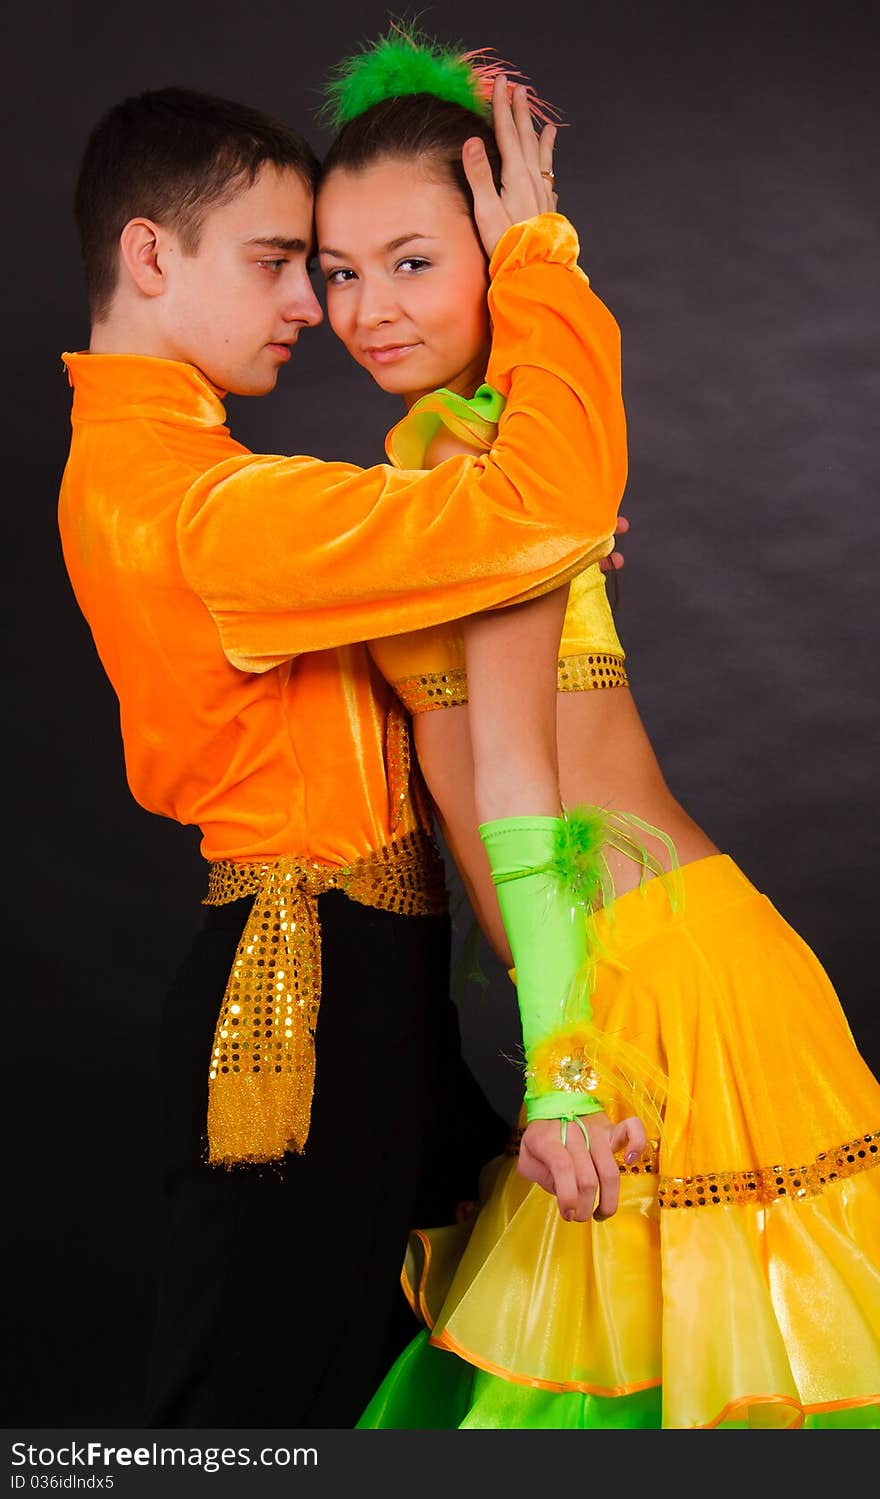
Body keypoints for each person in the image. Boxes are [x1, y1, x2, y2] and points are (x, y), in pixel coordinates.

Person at [310, 30, 880, 1429]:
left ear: (497, 255)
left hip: (659, 999)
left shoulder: (489, 462)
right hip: (604, 983)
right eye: (336, 271)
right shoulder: (461, 447)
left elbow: (519, 780)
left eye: (413, 261)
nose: (366, 307)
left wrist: (564, 1076)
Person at [57, 80, 630, 1429]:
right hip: (298, 1002)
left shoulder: (178, 482)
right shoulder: (207, 513)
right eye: (275, 265)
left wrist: (511, 556)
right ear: (151, 257)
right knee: (251, 1422)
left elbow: (510, 529)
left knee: (427, 1370)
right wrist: (541, 255)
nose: (314, 306)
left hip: (365, 988)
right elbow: (543, 501)